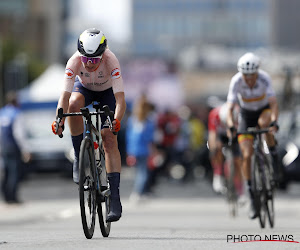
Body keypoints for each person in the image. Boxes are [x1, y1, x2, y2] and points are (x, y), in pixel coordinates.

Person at [52, 28, 126, 222]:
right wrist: (59, 119)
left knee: (109, 138)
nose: (89, 64)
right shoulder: (74, 61)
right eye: (86, 59)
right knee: (73, 104)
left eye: (94, 60)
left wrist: (116, 121)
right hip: (84, 89)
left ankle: (115, 198)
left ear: (103, 54)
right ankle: (79, 157)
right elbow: (64, 97)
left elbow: (120, 100)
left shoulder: (111, 60)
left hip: (107, 93)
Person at [226, 52, 279, 219]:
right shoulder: (236, 81)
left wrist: (274, 122)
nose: (249, 79)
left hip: (263, 111)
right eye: (245, 75)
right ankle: (251, 195)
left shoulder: (264, 79)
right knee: (247, 155)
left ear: (257, 72)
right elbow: (229, 108)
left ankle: (274, 154)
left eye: (252, 75)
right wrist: (230, 125)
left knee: (265, 125)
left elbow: (274, 103)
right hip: (246, 115)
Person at [0, 91, 29, 203]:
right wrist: (25, 150)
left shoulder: (2, 113)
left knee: (6, 172)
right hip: (13, 146)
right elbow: (19, 134)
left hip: (3, 146)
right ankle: (12, 197)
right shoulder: (17, 114)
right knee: (14, 172)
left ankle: (6, 196)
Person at [207, 103, 242, 195]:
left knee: (238, 160)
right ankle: (217, 174)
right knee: (216, 146)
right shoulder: (214, 114)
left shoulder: (238, 113)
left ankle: (240, 190)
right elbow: (212, 135)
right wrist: (213, 151)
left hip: (234, 133)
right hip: (220, 135)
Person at [126, 95, 155, 203]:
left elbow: (129, 137)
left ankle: (141, 192)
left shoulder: (132, 120)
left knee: (139, 172)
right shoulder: (148, 122)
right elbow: (149, 139)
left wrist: (129, 152)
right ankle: (137, 192)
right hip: (144, 150)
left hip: (134, 150)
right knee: (143, 173)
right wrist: (153, 151)